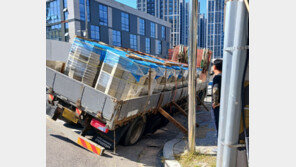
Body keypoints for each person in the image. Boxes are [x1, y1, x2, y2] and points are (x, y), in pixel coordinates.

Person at [212, 59, 222, 134]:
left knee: (218, 125)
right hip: (223, 104)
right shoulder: (224, 77)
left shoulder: (217, 77)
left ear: (214, 67)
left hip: (218, 106)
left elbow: (215, 90)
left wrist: (215, 103)